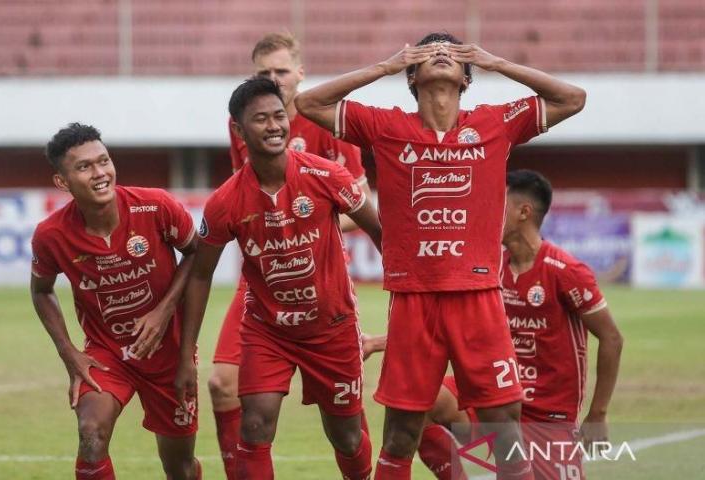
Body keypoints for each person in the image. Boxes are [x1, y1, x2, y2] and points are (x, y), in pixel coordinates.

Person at [296, 31, 586, 479]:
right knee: (401, 435)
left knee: (504, 427)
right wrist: (384, 67)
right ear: (412, 76)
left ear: (467, 77)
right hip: (415, 300)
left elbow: (573, 98)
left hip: (479, 296)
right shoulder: (386, 126)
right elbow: (308, 103)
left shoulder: (494, 123)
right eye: (429, 53)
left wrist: (496, 61)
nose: (441, 55)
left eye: (451, 53)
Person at [175, 78, 383, 480]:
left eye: (278, 116)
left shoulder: (328, 176)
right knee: (255, 424)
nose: (273, 126)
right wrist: (186, 355)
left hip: (333, 328)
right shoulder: (225, 202)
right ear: (239, 131)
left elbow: (379, 232)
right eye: (260, 120)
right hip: (268, 330)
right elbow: (200, 276)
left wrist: (408, 297)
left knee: (347, 435)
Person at [415, 170, 623, 480]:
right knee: (420, 396)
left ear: (524, 212)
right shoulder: (489, 267)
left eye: (496, 204)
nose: (484, 211)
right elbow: (445, 325)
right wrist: (379, 342)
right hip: (494, 399)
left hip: (547, 417)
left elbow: (611, 338)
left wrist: (598, 414)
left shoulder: (566, 272)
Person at [30, 123, 201, 480]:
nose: (100, 173)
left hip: (168, 352)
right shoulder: (51, 235)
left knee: (180, 467)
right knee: (91, 435)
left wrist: (164, 310)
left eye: (103, 161)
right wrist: (69, 353)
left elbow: (197, 253)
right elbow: (42, 289)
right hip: (107, 354)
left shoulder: (155, 206)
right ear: (62, 182)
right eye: (84, 167)